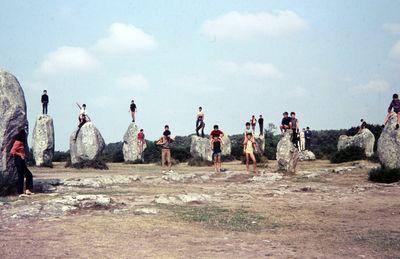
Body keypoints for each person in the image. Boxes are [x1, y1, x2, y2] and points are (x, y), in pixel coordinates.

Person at [10, 130, 34, 196]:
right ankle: (20, 192)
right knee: (21, 175)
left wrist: (24, 155)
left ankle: (27, 190)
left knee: (28, 174)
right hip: (18, 160)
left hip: (21, 160)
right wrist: (20, 154)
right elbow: (12, 151)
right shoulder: (18, 142)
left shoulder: (21, 142)